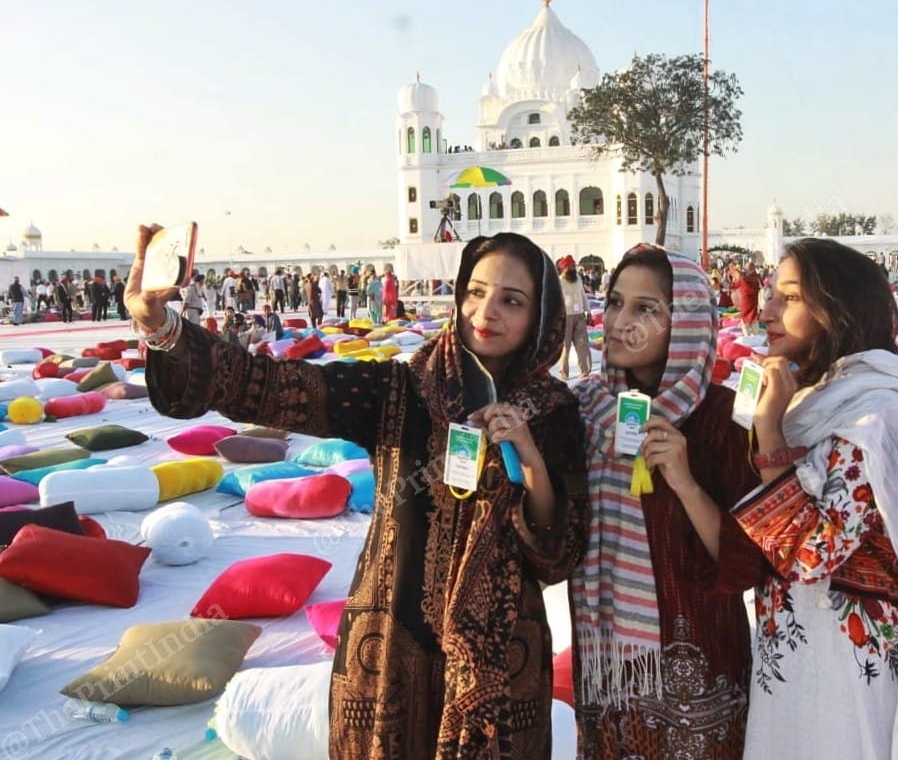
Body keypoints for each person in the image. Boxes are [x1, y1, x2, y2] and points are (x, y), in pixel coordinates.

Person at [127, 226, 589, 759]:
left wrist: (527, 453)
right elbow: (273, 387)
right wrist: (161, 329)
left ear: (540, 318)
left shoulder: (555, 414)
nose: (487, 311)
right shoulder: (401, 390)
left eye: (512, 300)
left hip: (501, 662)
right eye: (476, 292)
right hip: (389, 649)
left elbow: (557, 550)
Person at [738, 237, 898, 758]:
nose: (768, 309)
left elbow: (811, 552)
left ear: (836, 312)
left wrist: (770, 433)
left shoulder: (875, 414)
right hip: (799, 653)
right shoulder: (819, 397)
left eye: (790, 297)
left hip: (848, 669)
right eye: (772, 294)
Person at [569, 244, 766, 758]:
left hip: (700, 673)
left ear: (687, 324)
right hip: (609, 678)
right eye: (614, 302)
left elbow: (745, 562)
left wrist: (684, 480)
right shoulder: (585, 412)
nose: (619, 321)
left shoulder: (726, 420)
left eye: (645, 308)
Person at [556, 255, 591, 379]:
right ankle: (564, 373)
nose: (572, 268)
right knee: (565, 346)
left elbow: (583, 296)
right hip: (566, 317)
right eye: (570, 266)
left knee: (582, 345)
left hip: (580, 315)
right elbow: (556, 301)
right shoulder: (559, 282)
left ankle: (585, 371)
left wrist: (589, 312)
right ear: (564, 268)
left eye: (573, 265)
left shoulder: (578, 279)